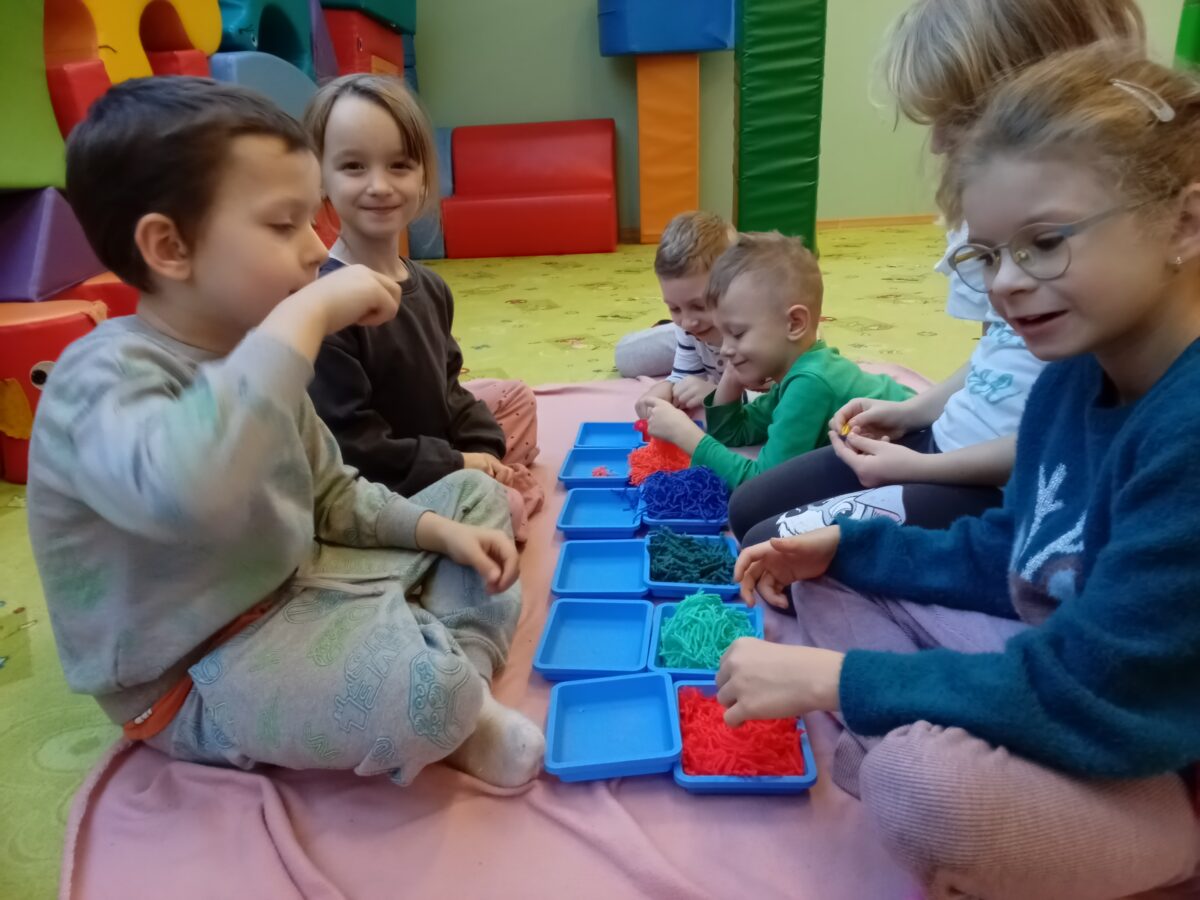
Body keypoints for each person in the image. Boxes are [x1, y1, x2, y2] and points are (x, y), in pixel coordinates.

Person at [721, 46, 1200, 898]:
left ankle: (1127, 844)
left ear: (1185, 223)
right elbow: (1015, 552)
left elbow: (1095, 687)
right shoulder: (1070, 382)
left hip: (1155, 755)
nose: (1008, 284)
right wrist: (845, 547)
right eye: (989, 255)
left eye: (1044, 244)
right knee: (819, 578)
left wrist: (837, 681)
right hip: (1066, 667)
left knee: (922, 790)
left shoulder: (1186, 428)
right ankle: (935, 747)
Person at [26, 76, 544, 790]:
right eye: (284, 224)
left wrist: (437, 530)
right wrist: (305, 317)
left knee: (474, 499)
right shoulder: (100, 378)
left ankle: (457, 686)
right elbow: (189, 491)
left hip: (303, 580)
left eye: (311, 220)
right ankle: (440, 689)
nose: (315, 248)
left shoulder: (255, 352)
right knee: (424, 692)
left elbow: (333, 496)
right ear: (170, 246)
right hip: (198, 670)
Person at [728, 0, 1145, 546]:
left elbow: (1064, 444)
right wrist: (912, 410)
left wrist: (919, 469)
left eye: (956, 119)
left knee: (771, 540)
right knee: (750, 510)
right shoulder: (1003, 238)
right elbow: (996, 355)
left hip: (998, 483)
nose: (938, 143)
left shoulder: (1100, 279)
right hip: (949, 442)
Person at [303, 74, 542, 540]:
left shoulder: (430, 286)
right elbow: (351, 445)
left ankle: (486, 484)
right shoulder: (327, 303)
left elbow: (450, 388)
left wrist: (481, 451)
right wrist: (457, 464)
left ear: (423, 176)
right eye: (353, 166)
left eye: (399, 165)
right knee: (504, 506)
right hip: (378, 479)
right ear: (321, 180)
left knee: (517, 399)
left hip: (433, 441)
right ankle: (479, 500)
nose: (379, 185)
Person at [643, 231, 912, 491]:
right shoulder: (793, 373)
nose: (725, 349)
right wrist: (732, 377)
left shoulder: (810, 383)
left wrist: (686, 435)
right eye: (723, 335)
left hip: (922, 444)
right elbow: (732, 434)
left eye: (737, 333)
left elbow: (764, 486)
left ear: (794, 324)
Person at [616, 210, 735, 417]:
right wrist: (667, 388)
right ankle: (670, 327)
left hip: (723, 338)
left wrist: (718, 395)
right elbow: (685, 377)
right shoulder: (688, 326)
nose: (686, 322)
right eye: (674, 308)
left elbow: (779, 401)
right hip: (701, 335)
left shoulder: (762, 334)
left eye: (699, 306)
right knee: (625, 356)